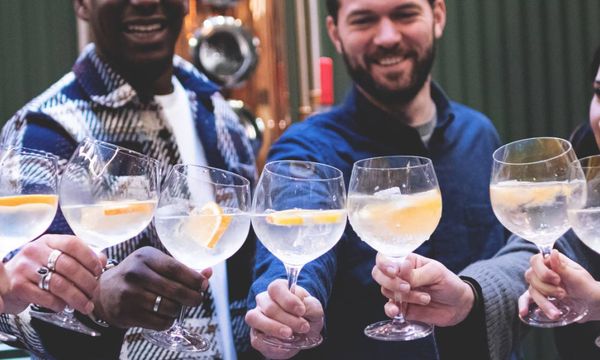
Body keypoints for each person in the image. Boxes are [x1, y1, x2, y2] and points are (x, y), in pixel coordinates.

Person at [245, 0, 506, 358]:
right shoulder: (307, 149)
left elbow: (509, 263)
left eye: (405, 14)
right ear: (335, 33)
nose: (387, 37)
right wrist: (289, 304)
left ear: (439, 16)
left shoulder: (479, 134)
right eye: (365, 20)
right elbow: (296, 233)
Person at [0, 0, 257, 359]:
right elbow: (11, 315)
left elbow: (244, 269)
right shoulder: (45, 129)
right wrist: (98, 307)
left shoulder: (218, 112)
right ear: (82, 5)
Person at [372, 46, 600, 360]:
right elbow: (535, 254)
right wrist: (468, 297)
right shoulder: (588, 155)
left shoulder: (474, 131)